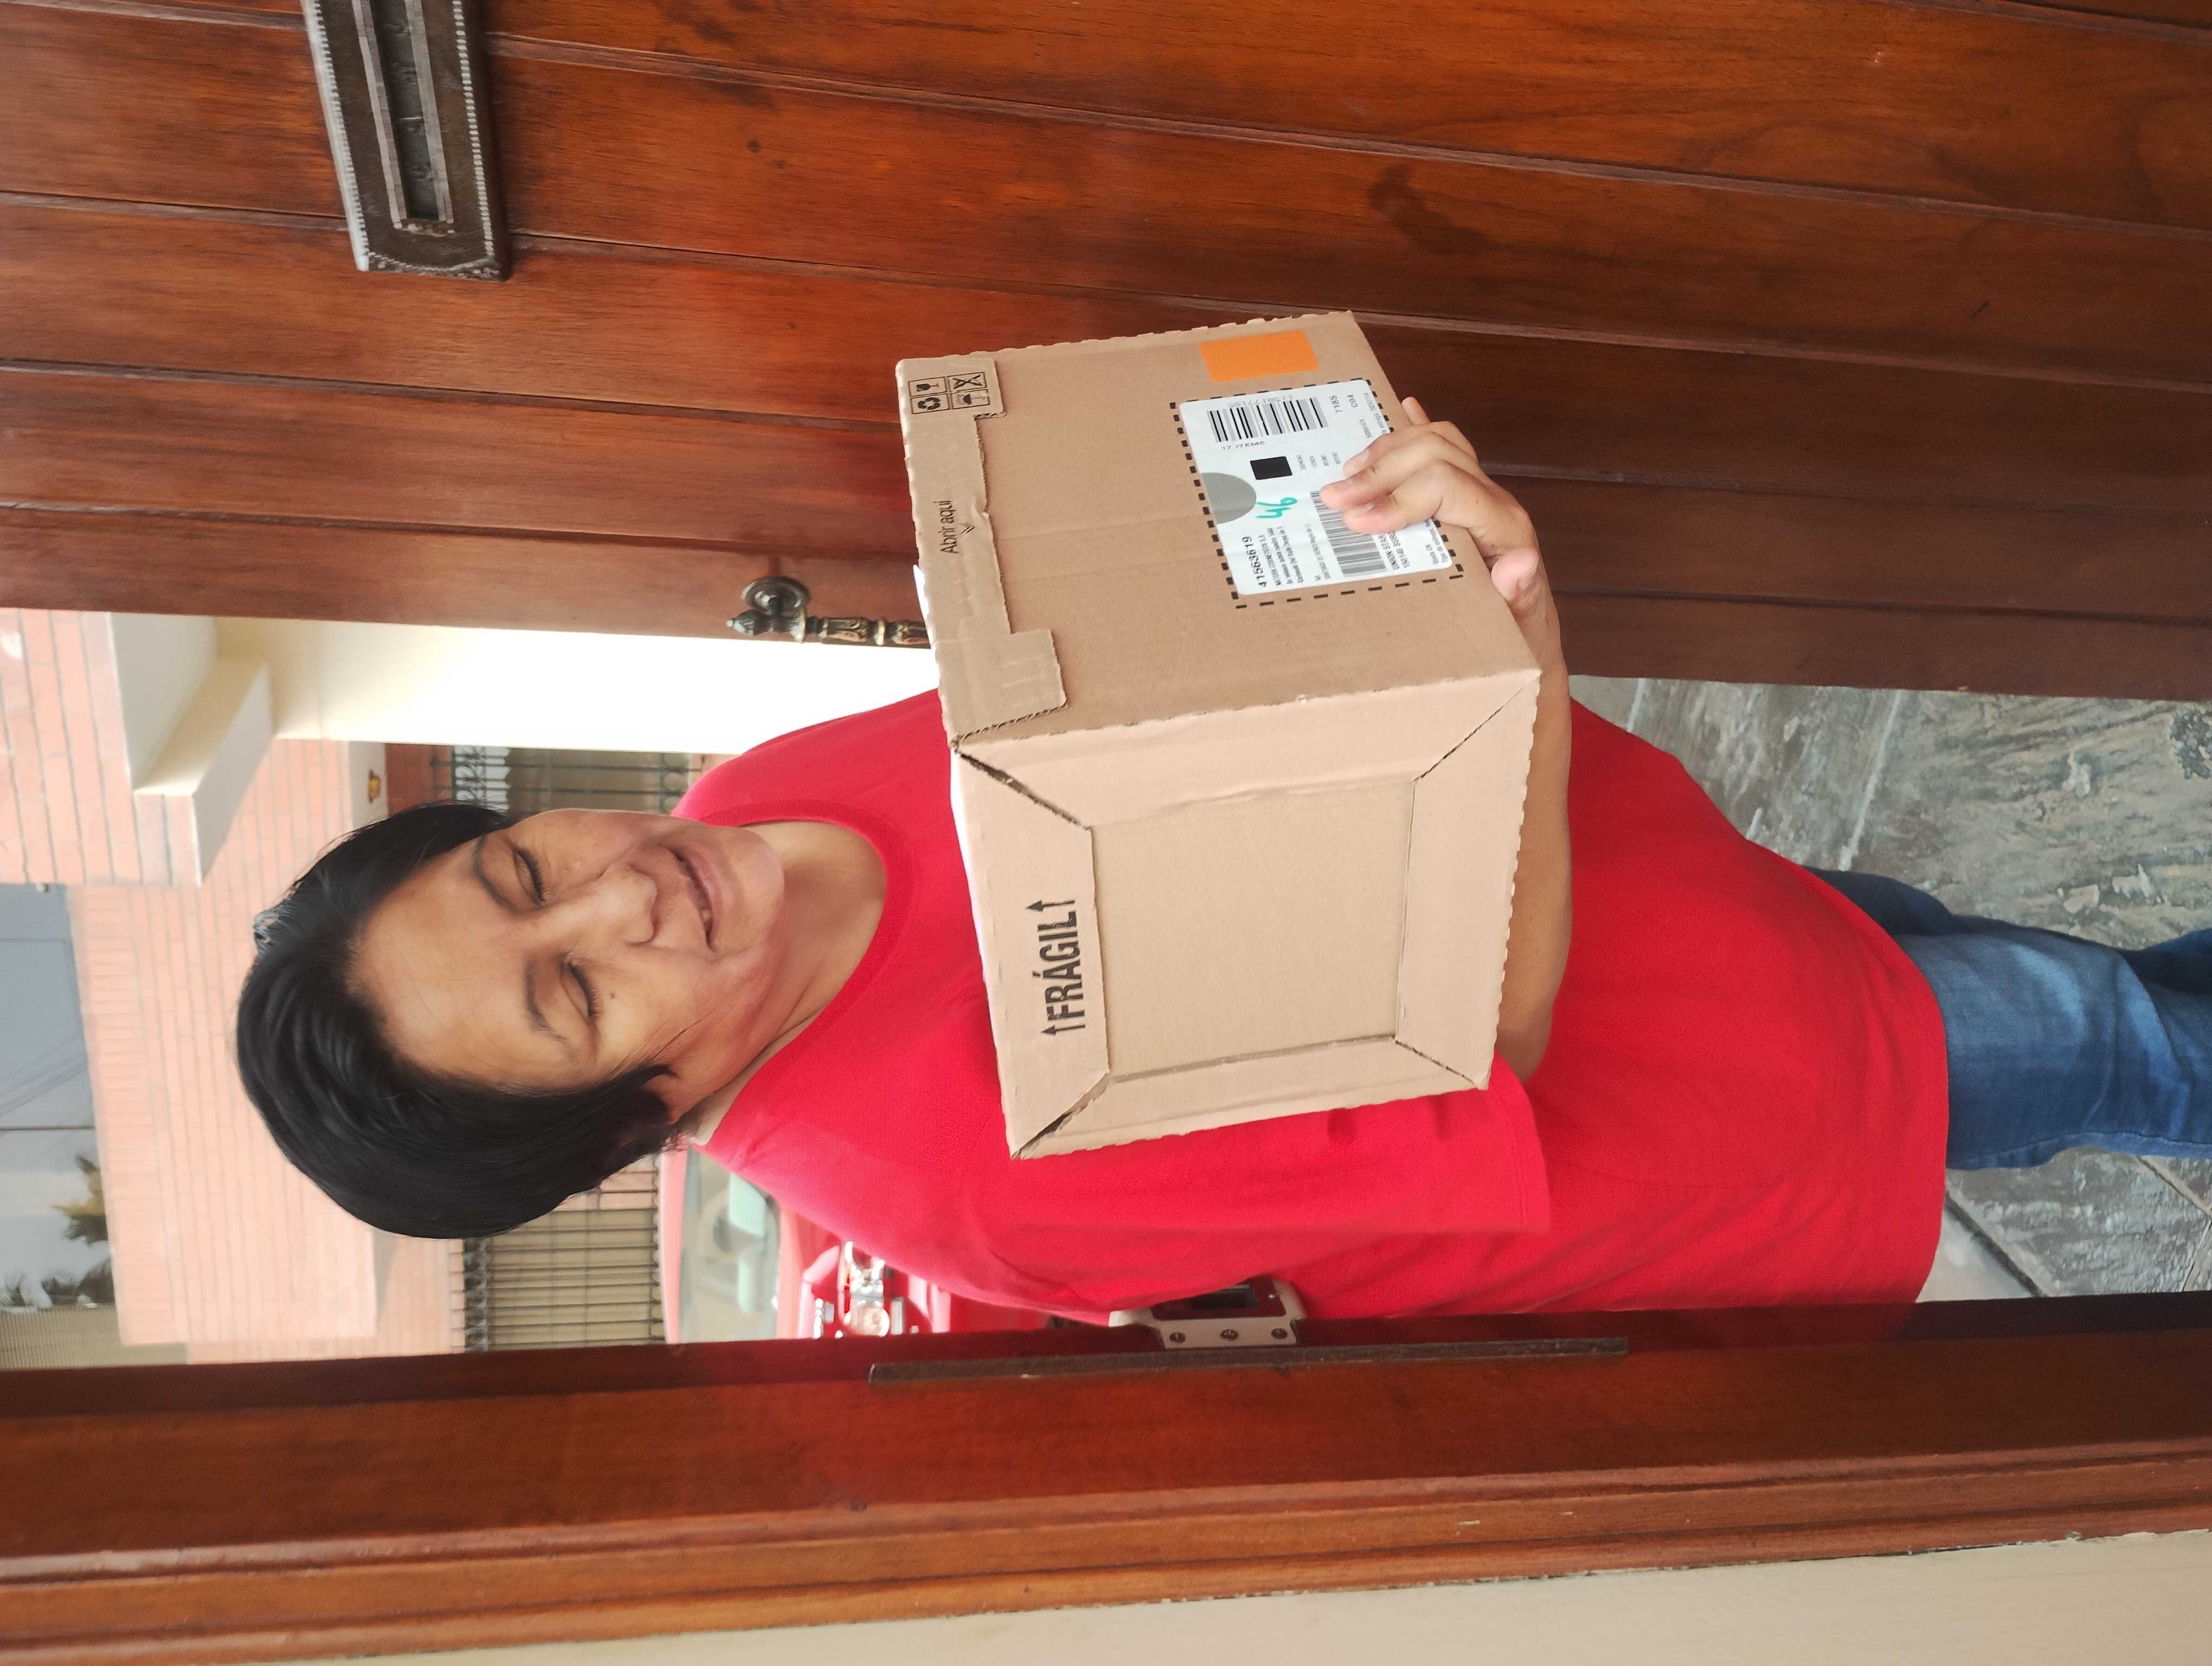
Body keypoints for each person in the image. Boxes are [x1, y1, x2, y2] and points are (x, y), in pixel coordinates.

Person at [237, 401, 2212, 1321]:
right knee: (2133, 1048)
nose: (624, 894)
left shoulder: (758, 781)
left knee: (2121, 996)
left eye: (523, 873)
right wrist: (1513, 646)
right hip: (1741, 1089)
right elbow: (1472, 1047)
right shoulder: (962, 1175)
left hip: (1690, 895)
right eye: (578, 993)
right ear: (636, 1117)